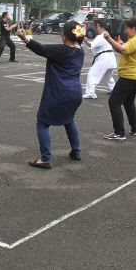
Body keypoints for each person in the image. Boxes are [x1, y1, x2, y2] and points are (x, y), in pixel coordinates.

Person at [15, 22, 84, 168]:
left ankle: (45, 159)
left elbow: (41, 49)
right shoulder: (80, 50)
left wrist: (24, 38)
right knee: (69, 119)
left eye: (61, 32)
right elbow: (79, 37)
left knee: (42, 122)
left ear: (64, 35)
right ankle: (76, 151)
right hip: (76, 93)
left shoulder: (62, 50)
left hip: (59, 93)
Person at [101, 18, 136, 140]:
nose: (125, 31)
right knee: (128, 102)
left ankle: (119, 133)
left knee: (114, 102)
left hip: (130, 77)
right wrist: (121, 44)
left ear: (133, 28)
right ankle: (135, 128)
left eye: (127, 28)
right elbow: (126, 48)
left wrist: (109, 38)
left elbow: (122, 50)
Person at [82, 21, 117, 99]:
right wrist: (87, 41)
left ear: (102, 28)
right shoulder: (107, 36)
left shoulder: (100, 36)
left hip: (103, 59)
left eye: (97, 27)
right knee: (108, 76)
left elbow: (92, 45)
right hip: (111, 59)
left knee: (92, 74)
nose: (96, 29)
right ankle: (113, 89)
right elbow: (93, 46)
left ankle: (90, 92)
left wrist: (85, 40)